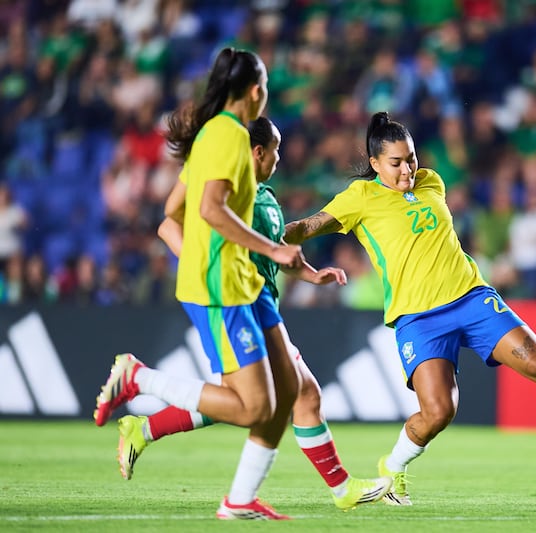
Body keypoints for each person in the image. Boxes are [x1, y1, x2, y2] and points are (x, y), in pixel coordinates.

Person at [283, 112, 536, 506]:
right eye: (396, 163)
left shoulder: (431, 181)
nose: (407, 170)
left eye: (412, 158)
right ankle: (394, 467)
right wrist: (264, 234)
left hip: (472, 298)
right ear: (374, 164)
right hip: (418, 318)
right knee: (438, 412)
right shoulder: (359, 199)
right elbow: (307, 228)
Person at [116, 117, 391, 511]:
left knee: (282, 396)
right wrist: (202, 270)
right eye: (276, 150)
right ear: (258, 152)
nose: (280, 158)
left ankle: (146, 428)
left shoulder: (261, 195)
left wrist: (312, 275)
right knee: (263, 399)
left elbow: (275, 247)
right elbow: (167, 227)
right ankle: (335, 489)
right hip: (236, 302)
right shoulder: (226, 195)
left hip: (262, 306)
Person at [93, 47, 308, 520]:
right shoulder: (228, 136)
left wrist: (203, 253)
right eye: (265, 87)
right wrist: (269, 249)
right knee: (255, 407)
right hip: (222, 287)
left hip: (241, 279)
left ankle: (241, 500)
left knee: (287, 389)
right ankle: (138, 378)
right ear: (256, 91)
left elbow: (172, 212)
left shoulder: (215, 134)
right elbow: (210, 209)